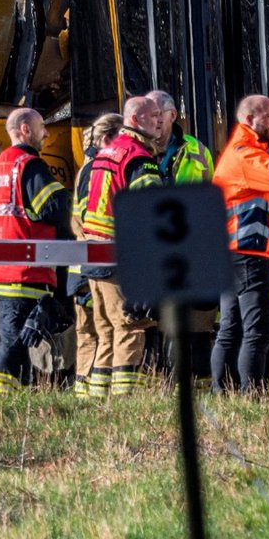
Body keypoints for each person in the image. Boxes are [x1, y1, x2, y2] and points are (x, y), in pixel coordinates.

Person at [0, 108, 72, 396]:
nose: (47, 133)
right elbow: (55, 208)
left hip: (2, 275)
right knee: (13, 342)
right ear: (25, 129)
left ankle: (16, 396)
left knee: (20, 338)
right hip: (28, 272)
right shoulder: (30, 167)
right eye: (42, 127)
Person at [211, 95, 269, 394]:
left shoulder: (249, 152)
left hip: (235, 254)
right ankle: (251, 394)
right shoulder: (244, 155)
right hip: (247, 253)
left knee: (232, 328)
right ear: (250, 119)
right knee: (258, 330)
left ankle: (223, 391)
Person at [82, 96, 163, 396]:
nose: (158, 120)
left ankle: (98, 400)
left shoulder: (107, 152)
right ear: (135, 120)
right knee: (132, 327)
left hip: (94, 253)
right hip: (121, 256)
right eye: (152, 115)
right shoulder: (138, 157)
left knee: (106, 331)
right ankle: (125, 402)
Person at [147, 89, 215, 390]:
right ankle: (165, 381)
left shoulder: (196, 151)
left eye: (157, 115)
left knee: (197, 320)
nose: (152, 121)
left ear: (172, 116)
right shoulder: (139, 150)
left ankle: (198, 383)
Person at [71, 112, 123, 397]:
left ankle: (86, 395)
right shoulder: (101, 169)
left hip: (82, 265)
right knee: (106, 332)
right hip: (98, 263)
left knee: (90, 334)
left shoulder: (85, 168)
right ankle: (98, 394)